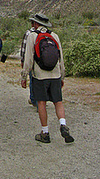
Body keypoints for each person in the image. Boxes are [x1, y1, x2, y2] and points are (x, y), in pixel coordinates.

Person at [20, 13, 74, 144]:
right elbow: (60, 58)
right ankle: (63, 124)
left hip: (40, 76)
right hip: (55, 75)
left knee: (41, 103)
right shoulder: (54, 36)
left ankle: (45, 132)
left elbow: (28, 59)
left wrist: (24, 76)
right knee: (58, 101)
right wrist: (62, 75)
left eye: (33, 23)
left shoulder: (33, 36)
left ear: (36, 24)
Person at [20, 24, 37, 109]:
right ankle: (39, 100)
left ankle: (34, 99)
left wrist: (23, 60)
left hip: (31, 60)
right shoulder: (47, 33)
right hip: (41, 62)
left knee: (32, 80)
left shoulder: (29, 33)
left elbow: (24, 47)